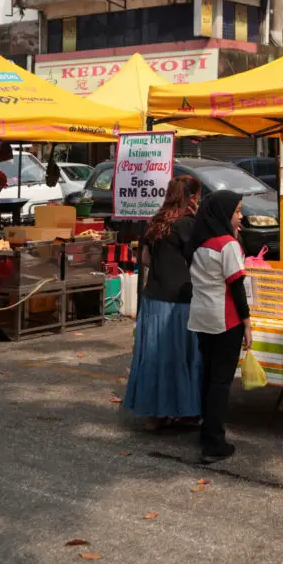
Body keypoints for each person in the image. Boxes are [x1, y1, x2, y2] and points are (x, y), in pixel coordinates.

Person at [124, 175, 203, 432]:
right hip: (180, 300)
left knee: (154, 358)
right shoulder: (189, 224)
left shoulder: (154, 223)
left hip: (153, 299)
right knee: (180, 357)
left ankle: (153, 416)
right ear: (192, 198)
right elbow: (200, 260)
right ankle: (185, 411)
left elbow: (145, 259)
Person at [188, 191, 252, 464]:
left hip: (201, 318)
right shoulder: (227, 245)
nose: (241, 217)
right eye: (237, 212)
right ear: (224, 214)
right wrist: (248, 324)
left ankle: (206, 433)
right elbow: (237, 287)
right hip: (226, 320)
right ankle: (214, 443)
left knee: (208, 377)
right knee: (220, 382)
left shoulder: (199, 243)